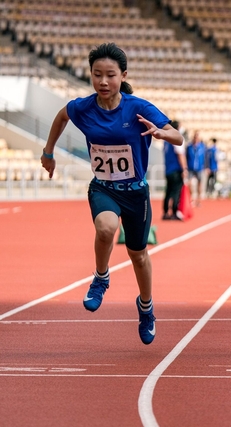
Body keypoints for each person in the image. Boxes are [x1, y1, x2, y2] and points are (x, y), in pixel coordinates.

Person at [40, 42, 184, 345]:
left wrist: (160, 132)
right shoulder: (83, 107)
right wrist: (48, 152)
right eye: (96, 75)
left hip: (136, 194)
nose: (103, 82)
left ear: (123, 75)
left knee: (138, 254)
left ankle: (146, 307)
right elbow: (60, 117)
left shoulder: (138, 107)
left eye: (110, 75)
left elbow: (178, 137)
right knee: (106, 228)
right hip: (103, 187)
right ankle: (101, 277)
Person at [163, 120, 188, 220]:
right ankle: (174, 211)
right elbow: (180, 155)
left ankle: (165, 212)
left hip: (168, 169)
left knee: (168, 191)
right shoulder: (177, 138)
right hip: (176, 169)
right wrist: (184, 169)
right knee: (176, 191)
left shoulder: (166, 140)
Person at [186, 130, 206, 206]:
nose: (196, 138)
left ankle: (198, 201)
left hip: (199, 168)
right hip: (191, 168)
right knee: (190, 184)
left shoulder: (202, 147)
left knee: (199, 184)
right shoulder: (189, 146)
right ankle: (191, 200)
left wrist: (206, 167)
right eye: (195, 137)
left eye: (197, 137)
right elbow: (186, 156)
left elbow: (205, 157)